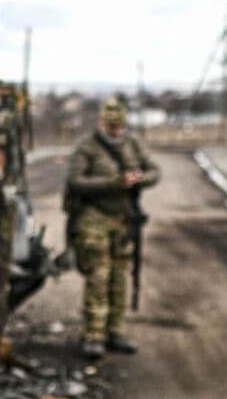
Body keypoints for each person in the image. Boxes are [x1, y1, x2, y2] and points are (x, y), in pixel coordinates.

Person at [65, 97, 159, 359]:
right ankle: (93, 335)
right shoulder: (87, 147)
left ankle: (115, 331)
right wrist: (113, 183)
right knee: (98, 277)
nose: (116, 132)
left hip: (123, 220)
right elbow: (76, 181)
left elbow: (155, 171)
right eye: (111, 127)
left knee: (119, 278)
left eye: (119, 127)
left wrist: (140, 179)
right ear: (101, 123)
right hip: (94, 218)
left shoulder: (132, 145)